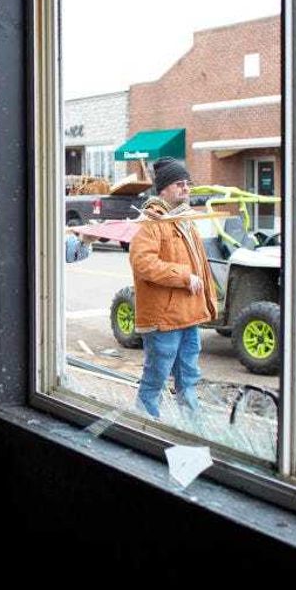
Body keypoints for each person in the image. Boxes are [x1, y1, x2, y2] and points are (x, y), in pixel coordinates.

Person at [128, 157, 216, 417]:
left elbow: (201, 265)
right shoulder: (150, 223)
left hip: (187, 315)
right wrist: (184, 277)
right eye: (179, 184)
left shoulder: (183, 220)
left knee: (188, 378)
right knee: (155, 379)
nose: (186, 189)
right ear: (163, 189)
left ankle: (191, 428)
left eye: (187, 184)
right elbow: (143, 263)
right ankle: (145, 426)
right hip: (164, 320)